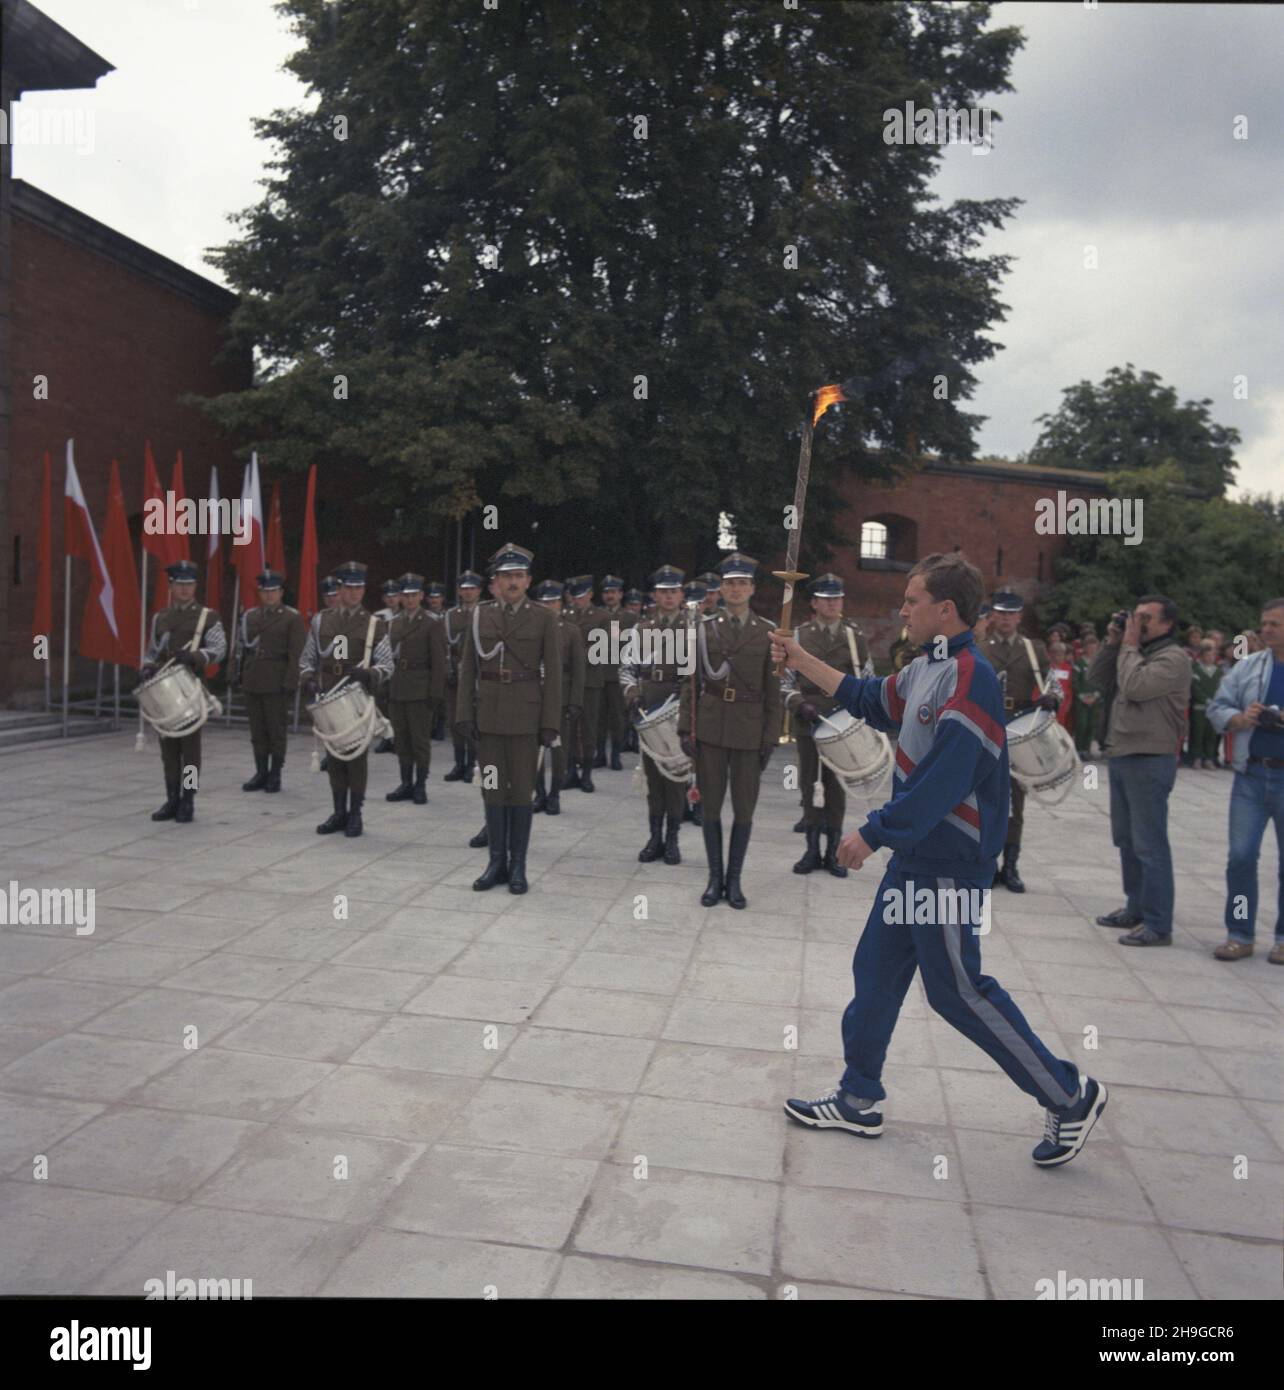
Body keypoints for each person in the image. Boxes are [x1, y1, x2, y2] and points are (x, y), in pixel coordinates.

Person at [773, 551, 1106, 1168]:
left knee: (957, 991)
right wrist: (799, 659)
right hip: (918, 858)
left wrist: (875, 832)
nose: (903, 610)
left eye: (912, 601)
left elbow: (947, 777)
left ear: (944, 609)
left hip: (949, 858)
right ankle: (858, 1097)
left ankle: (1068, 1094)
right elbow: (868, 698)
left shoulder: (971, 676)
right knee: (875, 969)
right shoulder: (929, 665)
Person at [456, 543, 561, 894]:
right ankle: (495, 863)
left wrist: (550, 723)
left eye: (518, 576)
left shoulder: (545, 618)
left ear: (528, 580)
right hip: (488, 718)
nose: (512, 582)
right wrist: (464, 714)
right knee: (491, 790)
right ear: (496, 581)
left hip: (526, 719)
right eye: (506, 577)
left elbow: (556, 674)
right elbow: (468, 667)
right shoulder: (479, 615)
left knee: (520, 795)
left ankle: (518, 866)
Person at [678, 552, 780, 909]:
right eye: (729, 583)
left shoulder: (768, 633)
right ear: (720, 589)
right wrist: (684, 729)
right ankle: (714, 877)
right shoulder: (703, 629)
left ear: (752, 589)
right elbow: (691, 682)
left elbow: (773, 692)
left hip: (749, 732)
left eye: (742, 583)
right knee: (709, 808)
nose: (735, 589)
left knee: (744, 809)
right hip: (710, 727)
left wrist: (770, 738)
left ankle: (734, 880)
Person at [1087, 595, 1189, 946]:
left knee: (1150, 844)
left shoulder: (1173, 658)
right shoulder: (1133, 652)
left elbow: (1136, 687)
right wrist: (1113, 643)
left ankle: (1159, 925)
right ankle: (1136, 907)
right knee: (1127, 840)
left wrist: (1128, 646)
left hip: (1150, 758)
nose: (1138, 622)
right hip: (1122, 753)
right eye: (1137, 615)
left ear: (1166, 624)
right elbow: (1096, 677)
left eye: (1146, 617)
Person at [1206, 600, 1284, 963]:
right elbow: (1216, 707)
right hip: (1252, 774)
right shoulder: (1249, 667)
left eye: (1274, 624)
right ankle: (1239, 932)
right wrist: (1239, 718)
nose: (1266, 630)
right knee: (1240, 857)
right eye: (1264, 623)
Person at [782, 573, 874, 877]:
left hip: (841, 721)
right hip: (809, 718)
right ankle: (811, 850)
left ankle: (834, 852)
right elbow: (783, 682)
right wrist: (798, 703)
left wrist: (861, 712)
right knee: (809, 784)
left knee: (837, 787)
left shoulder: (853, 636)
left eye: (836, 598)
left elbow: (867, 678)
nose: (832, 603)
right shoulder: (799, 635)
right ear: (814, 602)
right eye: (825, 598)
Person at [298, 560, 393, 838]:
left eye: (359, 587)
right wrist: (308, 678)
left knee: (356, 758)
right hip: (328, 693)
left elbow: (388, 664)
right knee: (335, 757)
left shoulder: (375, 624)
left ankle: (356, 813)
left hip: (356, 697)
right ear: (339, 589)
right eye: (349, 588)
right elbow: (307, 658)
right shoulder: (321, 620)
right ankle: (338, 811)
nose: (354, 593)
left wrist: (369, 673)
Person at [980, 592, 1062, 893]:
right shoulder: (980, 648)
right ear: (993, 617)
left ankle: (1011, 865)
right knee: (986, 800)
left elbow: (1053, 683)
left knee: (1015, 803)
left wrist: (1052, 698)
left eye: (1010, 614)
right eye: (1000, 613)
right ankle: (986, 863)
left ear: (1019, 617)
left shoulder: (1033, 649)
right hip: (987, 729)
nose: (1004, 619)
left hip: (1020, 729)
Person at [139, 559, 227, 824]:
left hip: (191, 689)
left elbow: (219, 649)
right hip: (165, 691)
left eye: (189, 584)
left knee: (189, 751)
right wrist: (147, 667)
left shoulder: (207, 616)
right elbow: (152, 651)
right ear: (172, 586)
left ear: (195, 586)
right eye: (180, 584)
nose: (185, 589)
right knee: (168, 750)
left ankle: (188, 799)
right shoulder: (161, 618)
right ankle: (172, 798)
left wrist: (195, 656)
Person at [621, 565, 691, 865]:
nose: (668, 597)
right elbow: (626, 669)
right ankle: (654, 837)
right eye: (663, 592)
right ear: (654, 596)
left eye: (673, 591)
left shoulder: (693, 628)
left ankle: (673, 839)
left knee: (675, 778)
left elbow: (699, 675)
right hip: (648, 708)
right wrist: (631, 693)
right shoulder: (641, 629)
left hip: (677, 708)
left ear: (681, 595)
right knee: (652, 777)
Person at [236, 569, 305, 794]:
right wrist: (236, 674)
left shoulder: (291, 617)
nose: (269, 596)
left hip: (277, 679)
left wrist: (291, 681)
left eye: (273, 591)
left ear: (281, 592)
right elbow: (241, 649)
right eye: (265, 591)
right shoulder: (250, 616)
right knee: (257, 730)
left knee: (275, 730)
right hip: (253, 677)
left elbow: (297, 653)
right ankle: (261, 772)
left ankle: (275, 774)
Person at [384, 574, 447, 806]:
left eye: (414, 595)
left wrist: (436, 693)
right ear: (400, 597)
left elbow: (439, 661)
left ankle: (420, 784)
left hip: (421, 689)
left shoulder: (431, 622)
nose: (410, 600)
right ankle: (405, 782)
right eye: (406, 595)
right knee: (401, 739)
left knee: (419, 740)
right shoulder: (395, 622)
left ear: (421, 596)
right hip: (398, 686)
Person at [532, 579, 584, 816]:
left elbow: (578, 671)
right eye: (543, 602)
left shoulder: (571, 631)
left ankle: (555, 794)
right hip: (534, 697)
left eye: (552, 601)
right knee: (534, 749)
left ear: (560, 603)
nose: (548, 606)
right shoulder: (530, 629)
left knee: (558, 750)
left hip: (561, 698)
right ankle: (539, 793)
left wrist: (574, 701)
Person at [564, 576, 609, 792]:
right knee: (569, 727)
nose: (577, 600)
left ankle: (587, 774)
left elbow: (601, 650)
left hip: (591, 680)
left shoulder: (602, 616)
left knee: (589, 726)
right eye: (575, 597)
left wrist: (574, 656)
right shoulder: (565, 615)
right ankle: (570, 770)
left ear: (590, 595)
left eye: (581, 596)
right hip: (569, 680)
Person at [443, 570, 484, 783]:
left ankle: (473, 763)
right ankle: (459, 763)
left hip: (477, 675)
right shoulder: (451, 616)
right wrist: (447, 670)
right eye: (464, 588)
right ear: (459, 591)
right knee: (455, 720)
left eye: (472, 588)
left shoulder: (485, 612)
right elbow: (445, 645)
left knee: (475, 719)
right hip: (455, 674)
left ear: (479, 591)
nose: (468, 592)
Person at [597, 575, 638, 771]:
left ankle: (615, 754)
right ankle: (599, 754)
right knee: (598, 717)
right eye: (606, 592)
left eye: (613, 592)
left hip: (617, 674)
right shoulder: (595, 614)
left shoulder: (630, 618)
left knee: (618, 717)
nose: (609, 596)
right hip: (597, 673)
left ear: (621, 594)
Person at [372, 579, 402, 753]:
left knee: (396, 703)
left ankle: (398, 738)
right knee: (381, 701)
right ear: (384, 598)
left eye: (395, 596)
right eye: (388, 596)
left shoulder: (406, 615)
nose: (391, 600)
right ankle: (386, 736)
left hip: (400, 665)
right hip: (382, 664)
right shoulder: (378, 617)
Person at [1190, 639, 1223, 770]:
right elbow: (1195, 688)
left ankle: (1209, 758)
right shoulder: (1195, 669)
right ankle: (1196, 758)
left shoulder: (1218, 671)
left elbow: (1221, 688)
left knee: (1211, 734)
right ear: (1202, 655)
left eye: (1213, 655)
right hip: (1199, 708)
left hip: (1214, 708)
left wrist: (1216, 701)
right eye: (1208, 655)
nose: (1211, 658)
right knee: (1198, 733)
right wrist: (1206, 700)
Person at [1071, 635, 1103, 756]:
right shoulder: (1079, 663)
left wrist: (1095, 696)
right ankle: (1079, 749)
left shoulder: (1099, 663)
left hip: (1095, 699)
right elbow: (1075, 682)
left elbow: (1101, 681)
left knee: (1091, 725)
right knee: (1082, 724)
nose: (1092, 650)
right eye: (1089, 647)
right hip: (1081, 700)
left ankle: (1087, 749)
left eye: (1094, 648)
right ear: (1085, 648)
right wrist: (1082, 696)